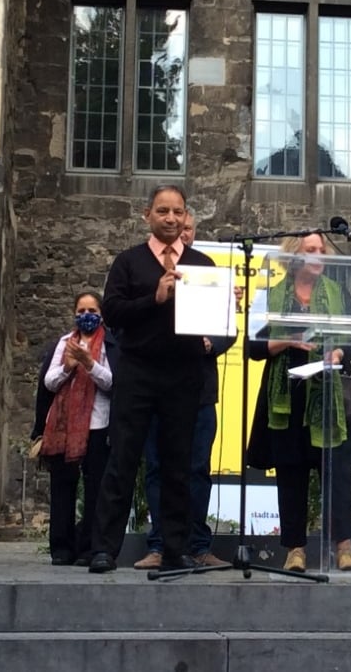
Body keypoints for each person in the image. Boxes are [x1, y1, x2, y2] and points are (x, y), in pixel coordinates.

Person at [89, 185, 215, 573]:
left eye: (178, 212)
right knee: (123, 459)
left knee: (178, 464)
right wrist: (154, 298)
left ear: (186, 216)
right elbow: (112, 312)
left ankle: (175, 550)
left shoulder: (202, 264)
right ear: (148, 215)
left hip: (183, 373)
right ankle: (104, 549)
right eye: (163, 211)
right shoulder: (129, 262)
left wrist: (226, 303)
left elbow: (213, 324)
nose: (171, 218)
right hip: (138, 371)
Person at [247, 233, 351, 572]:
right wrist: (289, 341)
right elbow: (254, 348)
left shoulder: (338, 292)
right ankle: (295, 549)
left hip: (328, 393)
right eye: (311, 250)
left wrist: (338, 352)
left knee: (337, 473)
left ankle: (344, 546)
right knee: (291, 472)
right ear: (294, 256)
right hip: (287, 397)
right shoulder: (269, 295)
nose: (319, 254)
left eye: (321, 250)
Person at [134, 210, 236, 570]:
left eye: (188, 228)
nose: (183, 232)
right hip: (156, 388)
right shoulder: (145, 270)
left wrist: (210, 342)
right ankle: (160, 545)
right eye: (179, 227)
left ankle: (197, 544)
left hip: (199, 389)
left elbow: (228, 329)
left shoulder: (208, 271)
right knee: (158, 467)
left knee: (196, 468)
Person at [40, 291, 114, 566]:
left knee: (95, 488)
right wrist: (68, 367)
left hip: (97, 424)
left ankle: (88, 549)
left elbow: (111, 382)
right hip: (64, 426)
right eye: (81, 311)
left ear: (101, 314)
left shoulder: (109, 344)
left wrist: (89, 364)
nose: (86, 316)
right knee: (62, 486)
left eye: (92, 311)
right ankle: (61, 548)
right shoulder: (64, 343)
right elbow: (49, 382)